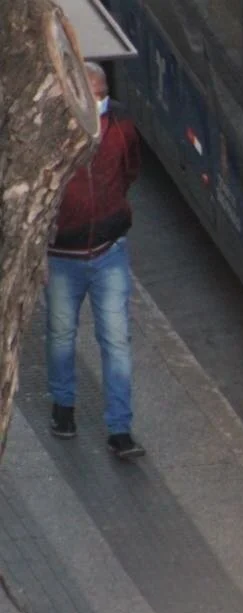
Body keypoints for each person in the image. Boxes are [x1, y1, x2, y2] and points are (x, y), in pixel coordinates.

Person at [46, 62, 144, 458]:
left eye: (100, 95)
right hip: (62, 256)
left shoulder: (120, 126)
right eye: (89, 95)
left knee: (117, 342)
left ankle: (120, 429)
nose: (96, 102)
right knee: (60, 335)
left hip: (108, 251)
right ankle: (63, 407)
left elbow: (130, 170)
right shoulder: (51, 129)